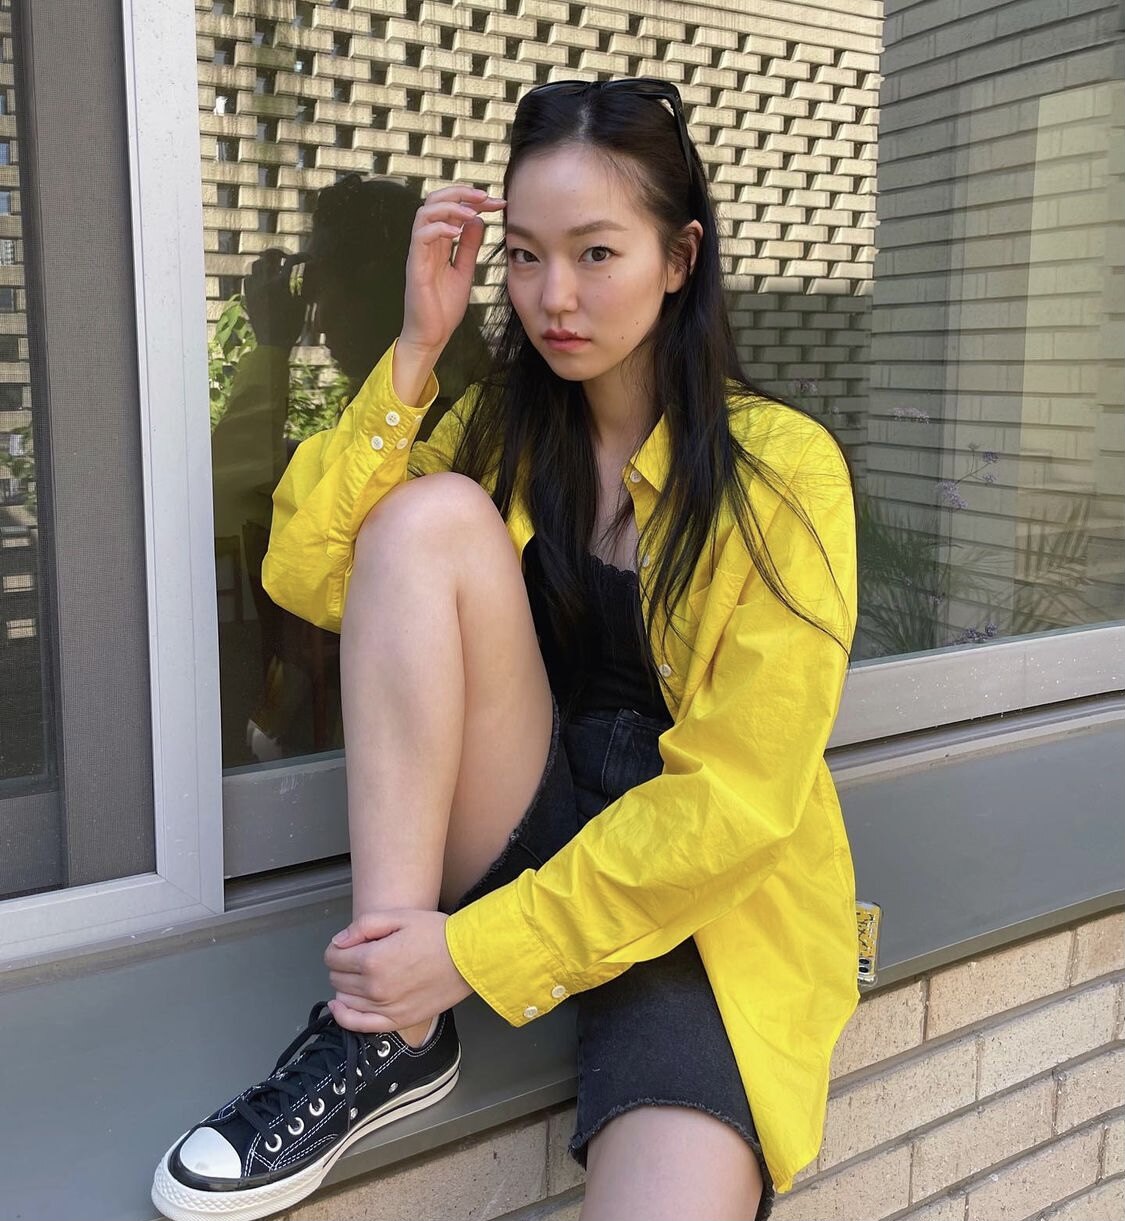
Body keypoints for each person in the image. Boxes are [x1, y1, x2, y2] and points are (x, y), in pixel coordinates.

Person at [152, 77, 859, 1221]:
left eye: (595, 253)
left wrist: (475, 949)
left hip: (700, 904)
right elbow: (309, 574)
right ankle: (386, 1034)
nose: (552, 297)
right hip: (533, 815)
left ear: (679, 258)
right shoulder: (501, 432)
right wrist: (417, 349)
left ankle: (432, 994)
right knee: (427, 519)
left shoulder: (784, 473)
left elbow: (738, 806)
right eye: (524, 257)